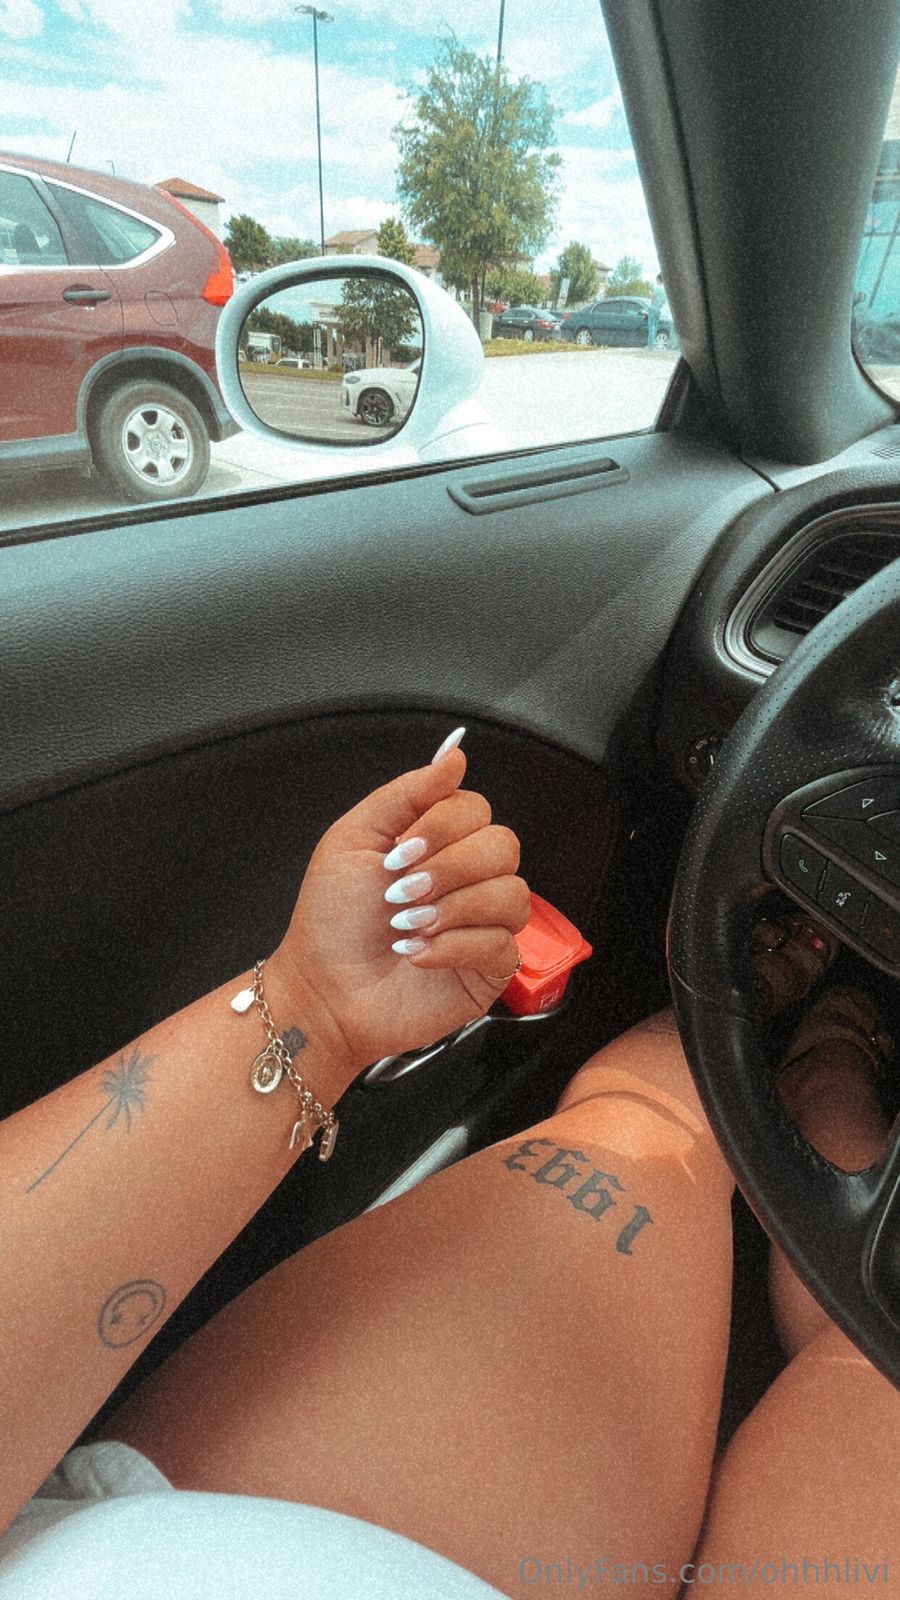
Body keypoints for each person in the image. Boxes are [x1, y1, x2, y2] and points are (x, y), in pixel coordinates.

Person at [1, 728, 899, 1598]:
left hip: (187, 1547)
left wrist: (318, 1005)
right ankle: (836, 1046)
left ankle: (782, 1011)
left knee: (654, 1126)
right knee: (875, 1328)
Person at [647, 273, 666, 349]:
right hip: (659, 310)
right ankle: (652, 345)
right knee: (655, 327)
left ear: (659, 280)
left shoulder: (657, 288)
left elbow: (652, 298)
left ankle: (650, 346)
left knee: (651, 327)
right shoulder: (665, 290)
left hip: (653, 308)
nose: (656, 282)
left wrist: (649, 293)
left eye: (657, 280)